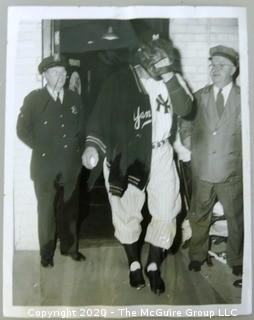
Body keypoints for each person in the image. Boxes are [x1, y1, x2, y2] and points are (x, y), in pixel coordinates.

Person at [82, 37, 193, 294]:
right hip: (126, 155)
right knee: (127, 212)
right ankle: (133, 264)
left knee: (166, 210)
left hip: (161, 152)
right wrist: (92, 146)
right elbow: (99, 119)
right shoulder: (119, 81)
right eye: (159, 61)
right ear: (145, 59)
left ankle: (153, 265)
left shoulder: (171, 79)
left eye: (167, 61)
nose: (164, 65)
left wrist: (169, 77)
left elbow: (186, 109)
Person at [16, 54, 86, 268]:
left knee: (70, 209)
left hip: (70, 166)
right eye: (56, 72)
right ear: (45, 75)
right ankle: (46, 255)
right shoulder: (34, 99)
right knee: (46, 212)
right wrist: (43, 148)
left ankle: (70, 248)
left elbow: (82, 129)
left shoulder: (74, 99)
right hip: (45, 168)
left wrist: (80, 152)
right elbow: (22, 130)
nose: (61, 76)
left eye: (64, 72)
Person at [182, 45, 243, 277]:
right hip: (203, 169)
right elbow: (185, 122)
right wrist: (187, 138)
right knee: (199, 215)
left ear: (233, 70)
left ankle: (236, 258)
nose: (215, 69)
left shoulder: (244, 99)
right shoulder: (199, 97)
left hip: (232, 172)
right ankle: (197, 255)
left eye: (221, 65)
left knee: (236, 218)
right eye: (213, 65)